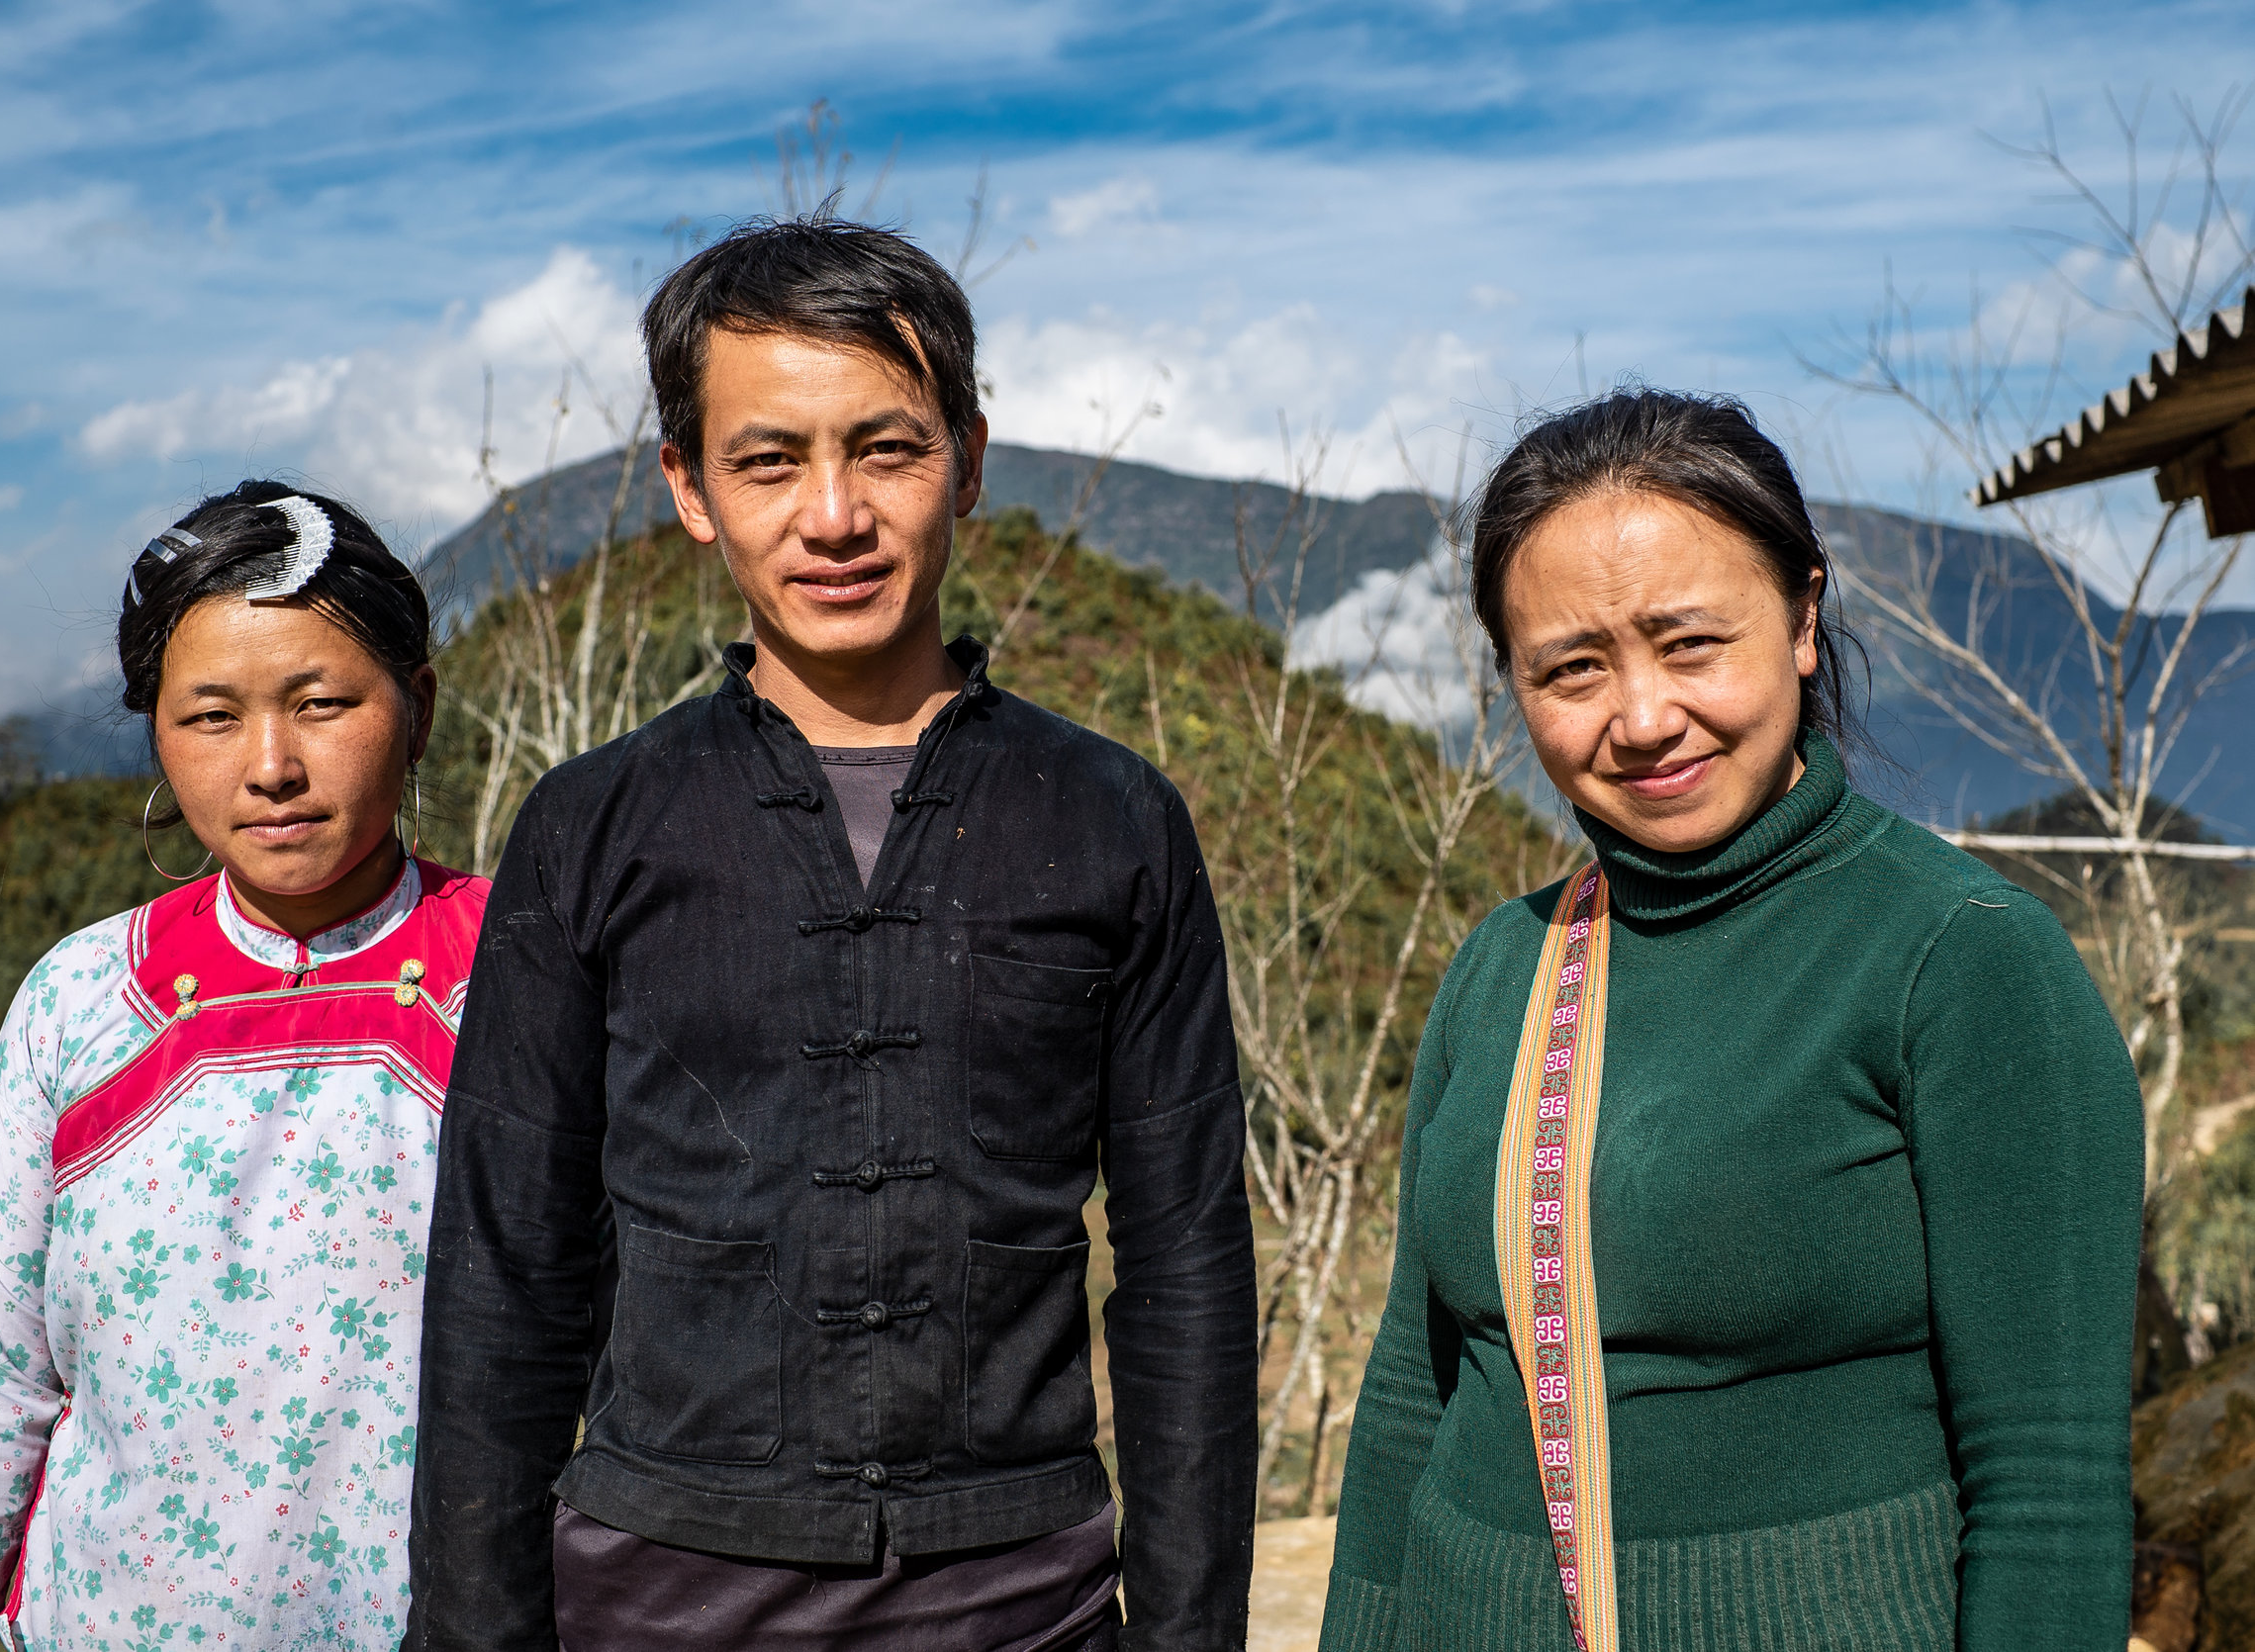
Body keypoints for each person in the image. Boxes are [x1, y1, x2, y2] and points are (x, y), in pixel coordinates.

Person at [405, 219, 1256, 1652]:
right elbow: (505, 1275)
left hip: (1016, 1603)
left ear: (970, 460)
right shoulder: (590, 827)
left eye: (888, 448)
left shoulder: (1114, 820)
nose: (834, 514)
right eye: (768, 459)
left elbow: (1184, 1275)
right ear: (688, 487)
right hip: (654, 1595)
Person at [1322, 391, 2140, 1652]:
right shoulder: (1505, 966)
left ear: (1804, 618)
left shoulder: (1962, 963)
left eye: (1690, 641)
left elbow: (2048, 1484)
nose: (1641, 718)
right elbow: (1406, 1400)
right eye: (1571, 668)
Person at [0, 482, 488, 1650]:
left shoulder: (518, 981)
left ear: (419, 706)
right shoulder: (82, 1004)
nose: (272, 764)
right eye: (211, 717)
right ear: (156, 733)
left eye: (323, 701)